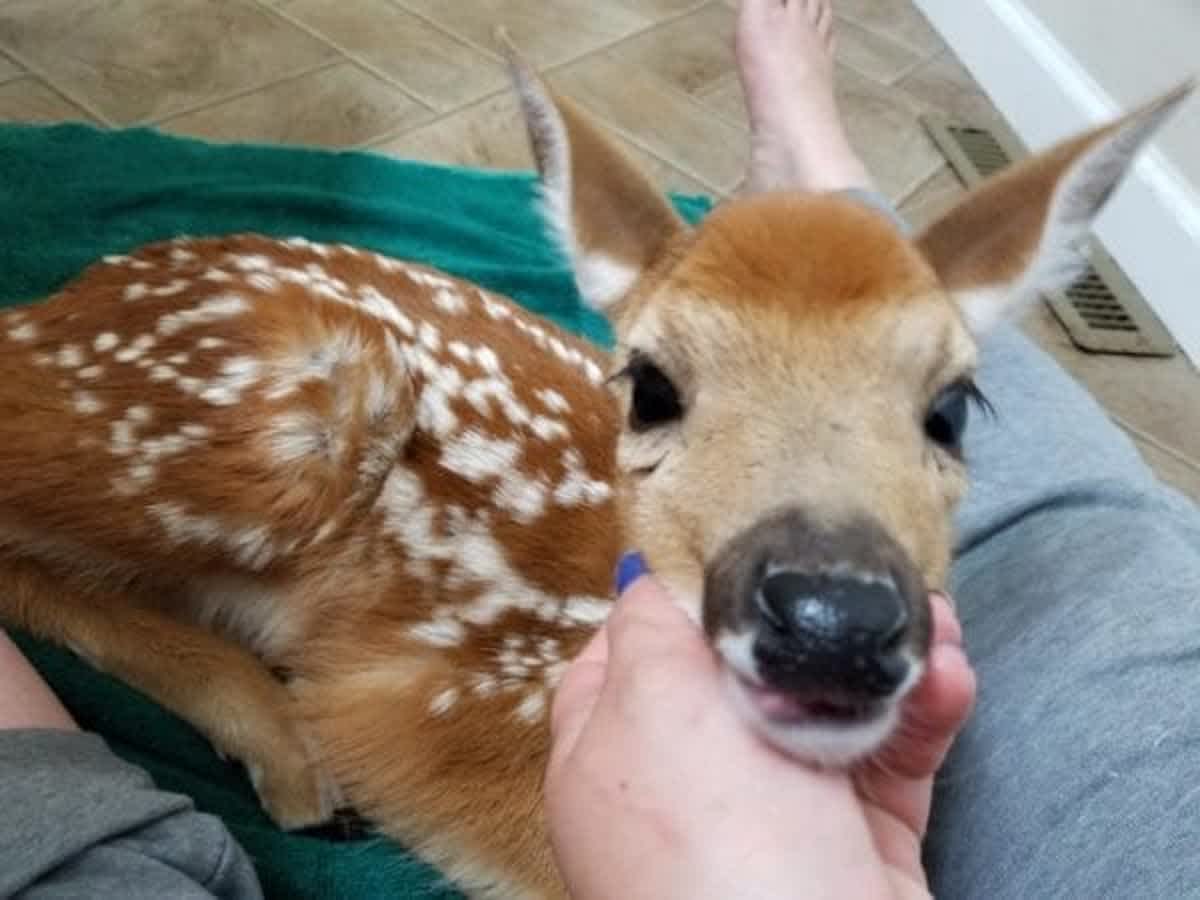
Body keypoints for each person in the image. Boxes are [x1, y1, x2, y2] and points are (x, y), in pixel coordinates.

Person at [3, 1, 1199, 898]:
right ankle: (817, 178)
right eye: (668, 391)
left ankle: (817, 189)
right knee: (1107, 550)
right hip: (271, 371)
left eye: (941, 416)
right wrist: (206, 675)